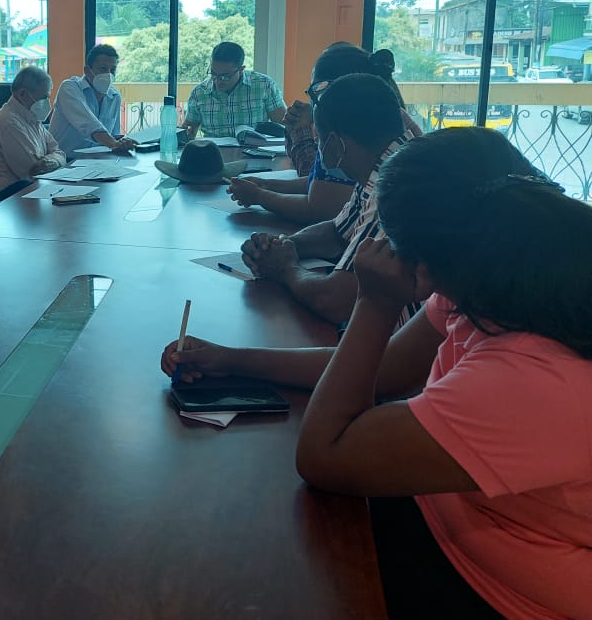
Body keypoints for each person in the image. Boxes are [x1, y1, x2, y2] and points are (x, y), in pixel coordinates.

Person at [162, 128, 592, 620]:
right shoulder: (492, 280)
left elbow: (325, 455)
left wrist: (375, 302)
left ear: (422, 265)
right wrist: (234, 359)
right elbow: (386, 368)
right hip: (437, 518)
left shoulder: (536, 378)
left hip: (490, 593)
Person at [239, 74, 420, 328]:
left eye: (319, 140)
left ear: (335, 144)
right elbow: (338, 232)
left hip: (408, 347)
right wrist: (282, 245)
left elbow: (335, 300)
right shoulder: (388, 160)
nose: (318, 148)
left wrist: (285, 269)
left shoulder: (393, 186)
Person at [227, 42, 419, 225]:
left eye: (315, 90)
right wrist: (266, 185)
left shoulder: (350, 128)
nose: (311, 99)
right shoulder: (380, 113)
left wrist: (259, 196)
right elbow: (321, 182)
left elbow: (319, 209)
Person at [0, 66, 66, 195]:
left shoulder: (32, 117)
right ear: (22, 94)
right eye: (43, 97)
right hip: (6, 198)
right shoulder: (8, 122)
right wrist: (53, 160)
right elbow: (34, 170)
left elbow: (59, 152)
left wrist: (54, 161)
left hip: (30, 191)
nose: (47, 103)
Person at [182, 41, 286, 139]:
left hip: (254, 149)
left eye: (225, 76)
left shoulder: (264, 85)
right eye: (213, 73)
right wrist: (185, 132)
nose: (218, 80)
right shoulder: (199, 92)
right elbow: (189, 130)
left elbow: (283, 126)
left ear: (241, 70)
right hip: (214, 150)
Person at [49, 44, 137, 156]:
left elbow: (113, 136)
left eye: (112, 70)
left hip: (98, 161)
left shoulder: (114, 97)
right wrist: (114, 143)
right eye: (103, 69)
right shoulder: (70, 88)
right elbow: (89, 125)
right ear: (87, 70)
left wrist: (123, 142)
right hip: (65, 160)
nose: (108, 74)